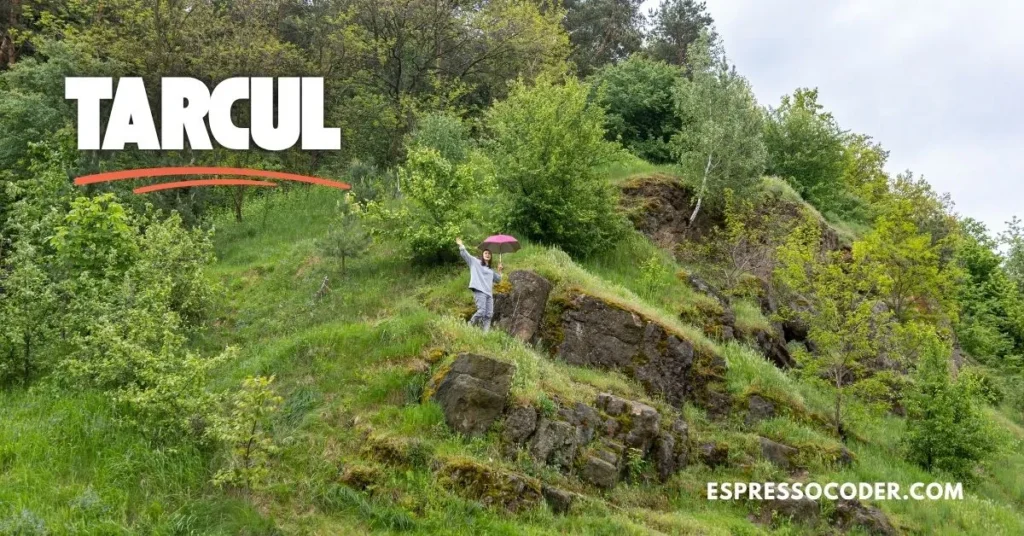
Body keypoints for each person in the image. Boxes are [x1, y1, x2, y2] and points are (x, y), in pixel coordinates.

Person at [456, 237, 503, 332]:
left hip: (489, 294)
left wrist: (499, 270)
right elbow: (466, 255)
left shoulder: (490, 270)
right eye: (486, 253)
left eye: (489, 254)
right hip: (479, 290)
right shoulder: (475, 262)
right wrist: (461, 245)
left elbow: (498, 280)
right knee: (481, 311)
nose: (488, 255)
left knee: (489, 315)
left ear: (491, 257)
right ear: (482, 255)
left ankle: (485, 334)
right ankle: (469, 325)